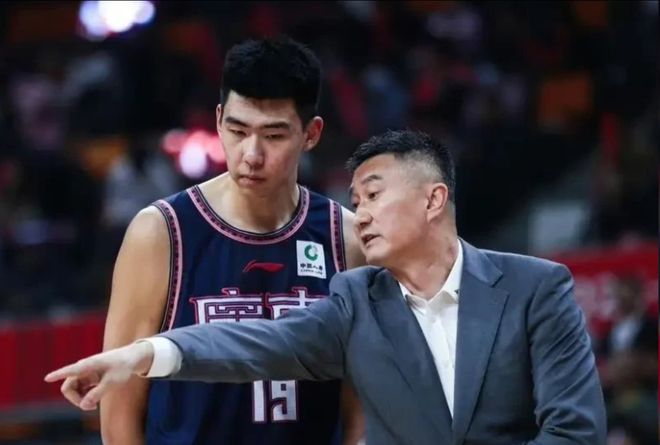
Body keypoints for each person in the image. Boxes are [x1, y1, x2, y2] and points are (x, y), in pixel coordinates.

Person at [46, 130, 606, 444]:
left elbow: (575, 430)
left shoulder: (537, 288)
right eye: (355, 201)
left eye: (375, 195)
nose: (361, 215)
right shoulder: (354, 301)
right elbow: (255, 340)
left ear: (433, 199)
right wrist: (144, 353)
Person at [82, 37, 365, 445]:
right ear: (218, 121)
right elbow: (119, 411)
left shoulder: (347, 239)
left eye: (273, 135)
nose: (251, 154)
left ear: (311, 134)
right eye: (237, 130)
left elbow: (360, 410)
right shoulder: (161, 233)